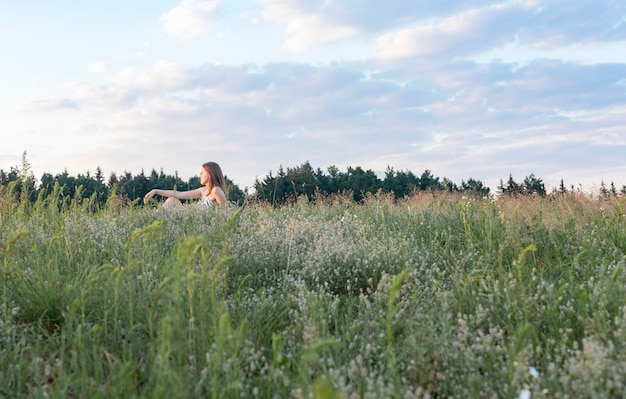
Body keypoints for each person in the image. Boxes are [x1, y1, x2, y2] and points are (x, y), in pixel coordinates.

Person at [144, 161, 227, 207]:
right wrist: (155, 191)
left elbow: (225, 212)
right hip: (192, 219)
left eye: (202, 173)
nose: (200, 175)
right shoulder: (203, 190)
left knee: (171, 201)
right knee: (171, 200)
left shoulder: (216, 191)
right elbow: (179, 194)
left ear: (210, 174)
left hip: (201, 225)